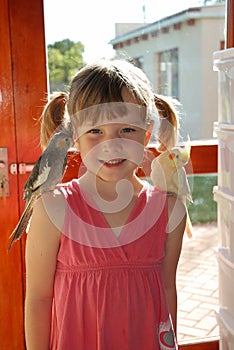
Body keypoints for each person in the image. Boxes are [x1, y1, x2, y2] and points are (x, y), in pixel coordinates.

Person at [25, 59, 186, 350]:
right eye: (96, 132)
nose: (111, 145)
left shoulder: (170, 211)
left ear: (146, 135)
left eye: (126, 130)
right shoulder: (53, 208)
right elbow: (38, 298)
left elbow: (166, 290)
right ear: (76, 138)